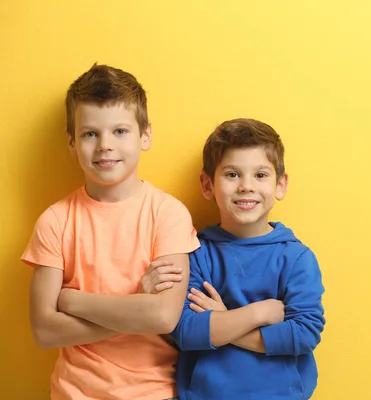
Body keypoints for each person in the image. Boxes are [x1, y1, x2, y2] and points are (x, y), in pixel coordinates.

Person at [21, 63, 199, 400]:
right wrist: (136, 306)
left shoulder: (168, 214)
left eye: (120, 131)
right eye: (91, 134)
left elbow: (162, 316)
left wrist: (73, 301)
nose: (105, 145)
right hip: (73, 393)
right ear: (72, 142)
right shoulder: (55, 221)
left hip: (153, 393)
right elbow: (44, 331)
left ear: (145, 135)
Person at [168, 118, 326, 399]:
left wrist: (223, 321)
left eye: (260, 175)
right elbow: (184, 331)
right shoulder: (195, 254)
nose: (246, 186)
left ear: (280, 184)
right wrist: (258, 313)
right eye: (232, 175)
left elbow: (304, 333)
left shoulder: (296, 258)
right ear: (207, 184)